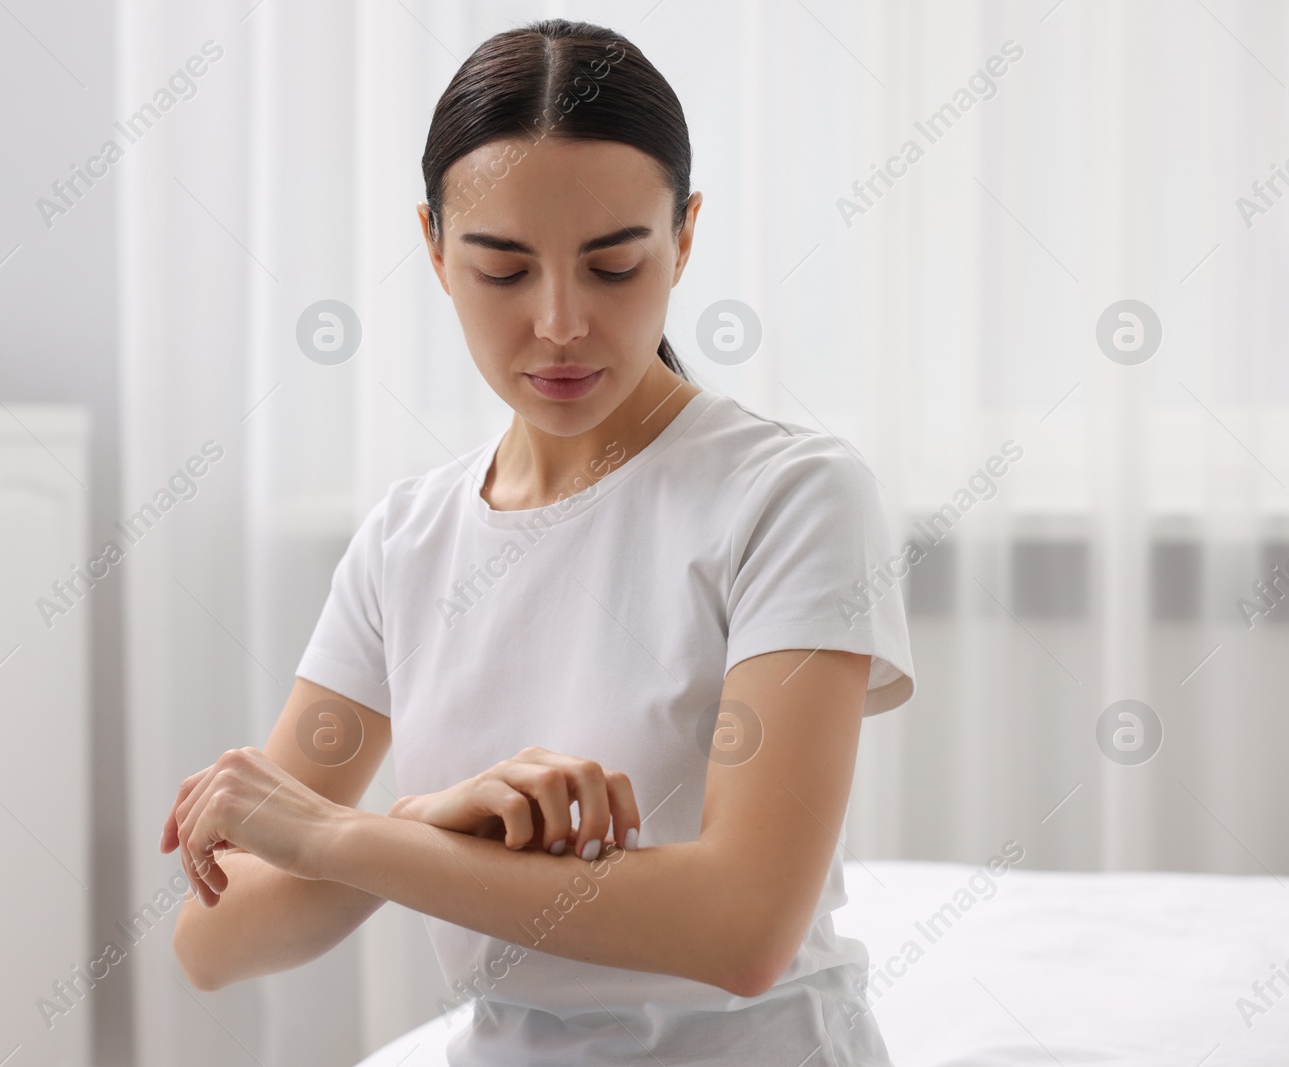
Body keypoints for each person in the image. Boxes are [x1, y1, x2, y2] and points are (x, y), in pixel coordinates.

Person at [161, 17, 915, 1066]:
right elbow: (214, 936)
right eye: (503, 270)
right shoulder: (407, 539)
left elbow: (742, 927)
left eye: (612, 266)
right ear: (433, 248)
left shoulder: (789, 495)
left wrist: (353, 834)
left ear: (684, 236)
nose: (559, 323)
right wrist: (433, 821)